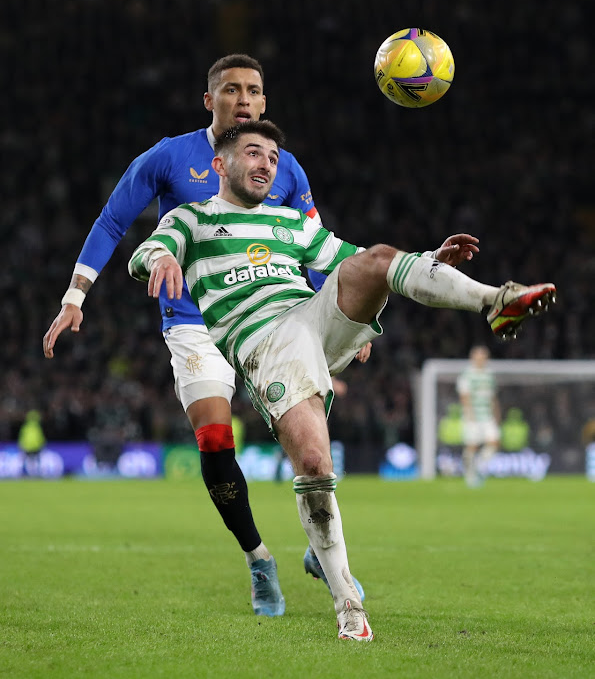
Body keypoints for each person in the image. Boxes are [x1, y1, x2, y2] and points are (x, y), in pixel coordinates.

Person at [127, 120, 556, 640]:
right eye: (254, 153)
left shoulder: (290, 222)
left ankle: (495, 300)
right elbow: (143, 252)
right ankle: (348, 605)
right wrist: (164, 254)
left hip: (310, 317)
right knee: (313, 462)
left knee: (374, 258)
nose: (266, 164)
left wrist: (426, 262)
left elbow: (349, 262)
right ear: (220, 164)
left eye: (273, 157)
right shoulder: (191, 220)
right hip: (264, 346)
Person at [42, 53, 359, 617]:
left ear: (264, 101)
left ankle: (322, 544)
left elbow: (316, 252)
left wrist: (342, 328)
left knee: (309, 448)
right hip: (193, 321)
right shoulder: (170, 156)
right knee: (215, 441)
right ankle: (259, 558)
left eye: (254, 90)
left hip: (272, 321)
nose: (244, 99)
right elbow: (114, 219)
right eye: (232, 90)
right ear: (209, 100)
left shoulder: (283, 167)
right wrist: (75, 296)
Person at [456, 345, 501, 487]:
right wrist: (469, 413)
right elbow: (464, 396)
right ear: (473, 358)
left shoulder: (489, 374)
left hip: (487, 415)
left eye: (484, 356)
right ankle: (469, 475)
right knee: (472, 445)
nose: (481, 359)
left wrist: (497, 413)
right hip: (473, 416)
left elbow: (493, 397)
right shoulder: (467, 374)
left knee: (494, 442)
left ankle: (478, 466)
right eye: (479, 356)